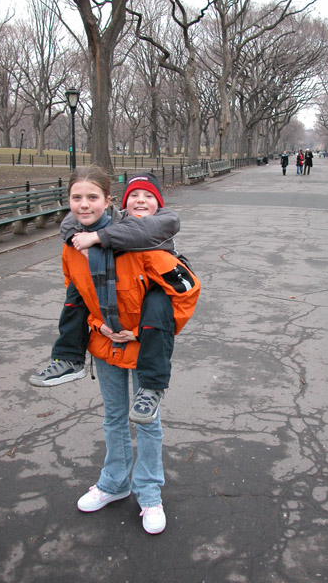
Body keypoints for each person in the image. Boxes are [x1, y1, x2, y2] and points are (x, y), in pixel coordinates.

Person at [60, 166, 201, 534]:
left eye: (92, 197)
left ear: (106, 201)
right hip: (105, 344)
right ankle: (114, 482)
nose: (84, 204)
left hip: (142, 347)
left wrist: (141, 333)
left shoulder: (147, 248)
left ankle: (149, 491)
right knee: (113, 418)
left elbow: (185, 291)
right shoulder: (77, 245)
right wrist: (98, 325)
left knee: (147, 421)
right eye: (77, 197)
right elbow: (79, 295)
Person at [29, 177, 180, 391]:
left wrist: (96, 237)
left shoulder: (162, 223)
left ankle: (153, 386)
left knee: (157, 305)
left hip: (148, 319)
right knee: (76, 293)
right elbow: (71, 223)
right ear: (122, 204)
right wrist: (98, 325)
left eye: (149, 196)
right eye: (134, 196)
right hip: (107, 336)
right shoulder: (117, 224)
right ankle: (69, 358)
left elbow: (142, 231)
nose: (141, 201)